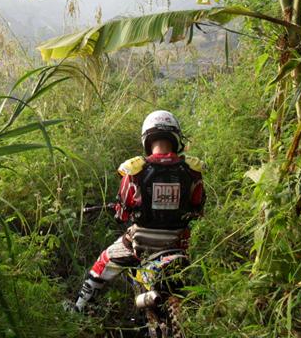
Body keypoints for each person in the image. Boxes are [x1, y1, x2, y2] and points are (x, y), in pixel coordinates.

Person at [73, 110, 205, 312]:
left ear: (147, 138)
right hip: (178, 241)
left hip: (140, 241)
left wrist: (122, 212)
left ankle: (78, 309)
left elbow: (123, 213)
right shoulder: (192, 170)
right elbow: (198, 208)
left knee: (102, 264)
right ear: (176, 137)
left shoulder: (135, 170)